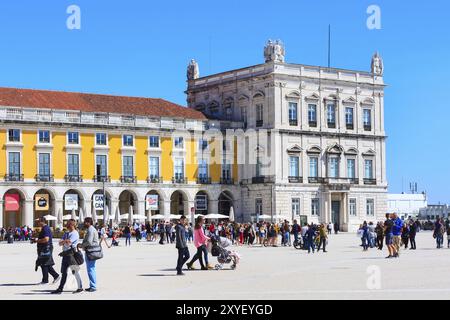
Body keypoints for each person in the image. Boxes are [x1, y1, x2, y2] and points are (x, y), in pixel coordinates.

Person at [52, 219, 83, 294]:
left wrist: (64, 241)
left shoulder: (75, 233)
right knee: (64, 272)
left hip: (71, 255)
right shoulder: (66, 233)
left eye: (68, 224)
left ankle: (80, 287)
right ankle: (60, 288)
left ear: (72, 225)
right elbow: (60, 243)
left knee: (74, 271)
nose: (66, 225)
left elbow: (69, 243)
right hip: (65, 254)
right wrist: (65, 241)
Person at [34, 217, 60, 285]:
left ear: (42, 222)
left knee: (45, 263)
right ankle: (47, 279)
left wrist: (37, 240)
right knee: (44, 263)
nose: (38, 223)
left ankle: (53, 277)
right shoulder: (45, 228)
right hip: (45, 248)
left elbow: (46, 239)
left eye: (39, 221)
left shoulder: (45, 228)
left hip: (46, 248)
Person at [79, 217, 99, 292]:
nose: (84, 223)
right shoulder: (92, 229)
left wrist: (81, 245)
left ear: (88, 222)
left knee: (90, 269)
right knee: (92, 268)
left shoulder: (90, 230)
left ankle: (93, 286)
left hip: (91, 251)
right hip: (92, 251)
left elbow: (89, 242)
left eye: (85, 222)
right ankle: (92, 285)